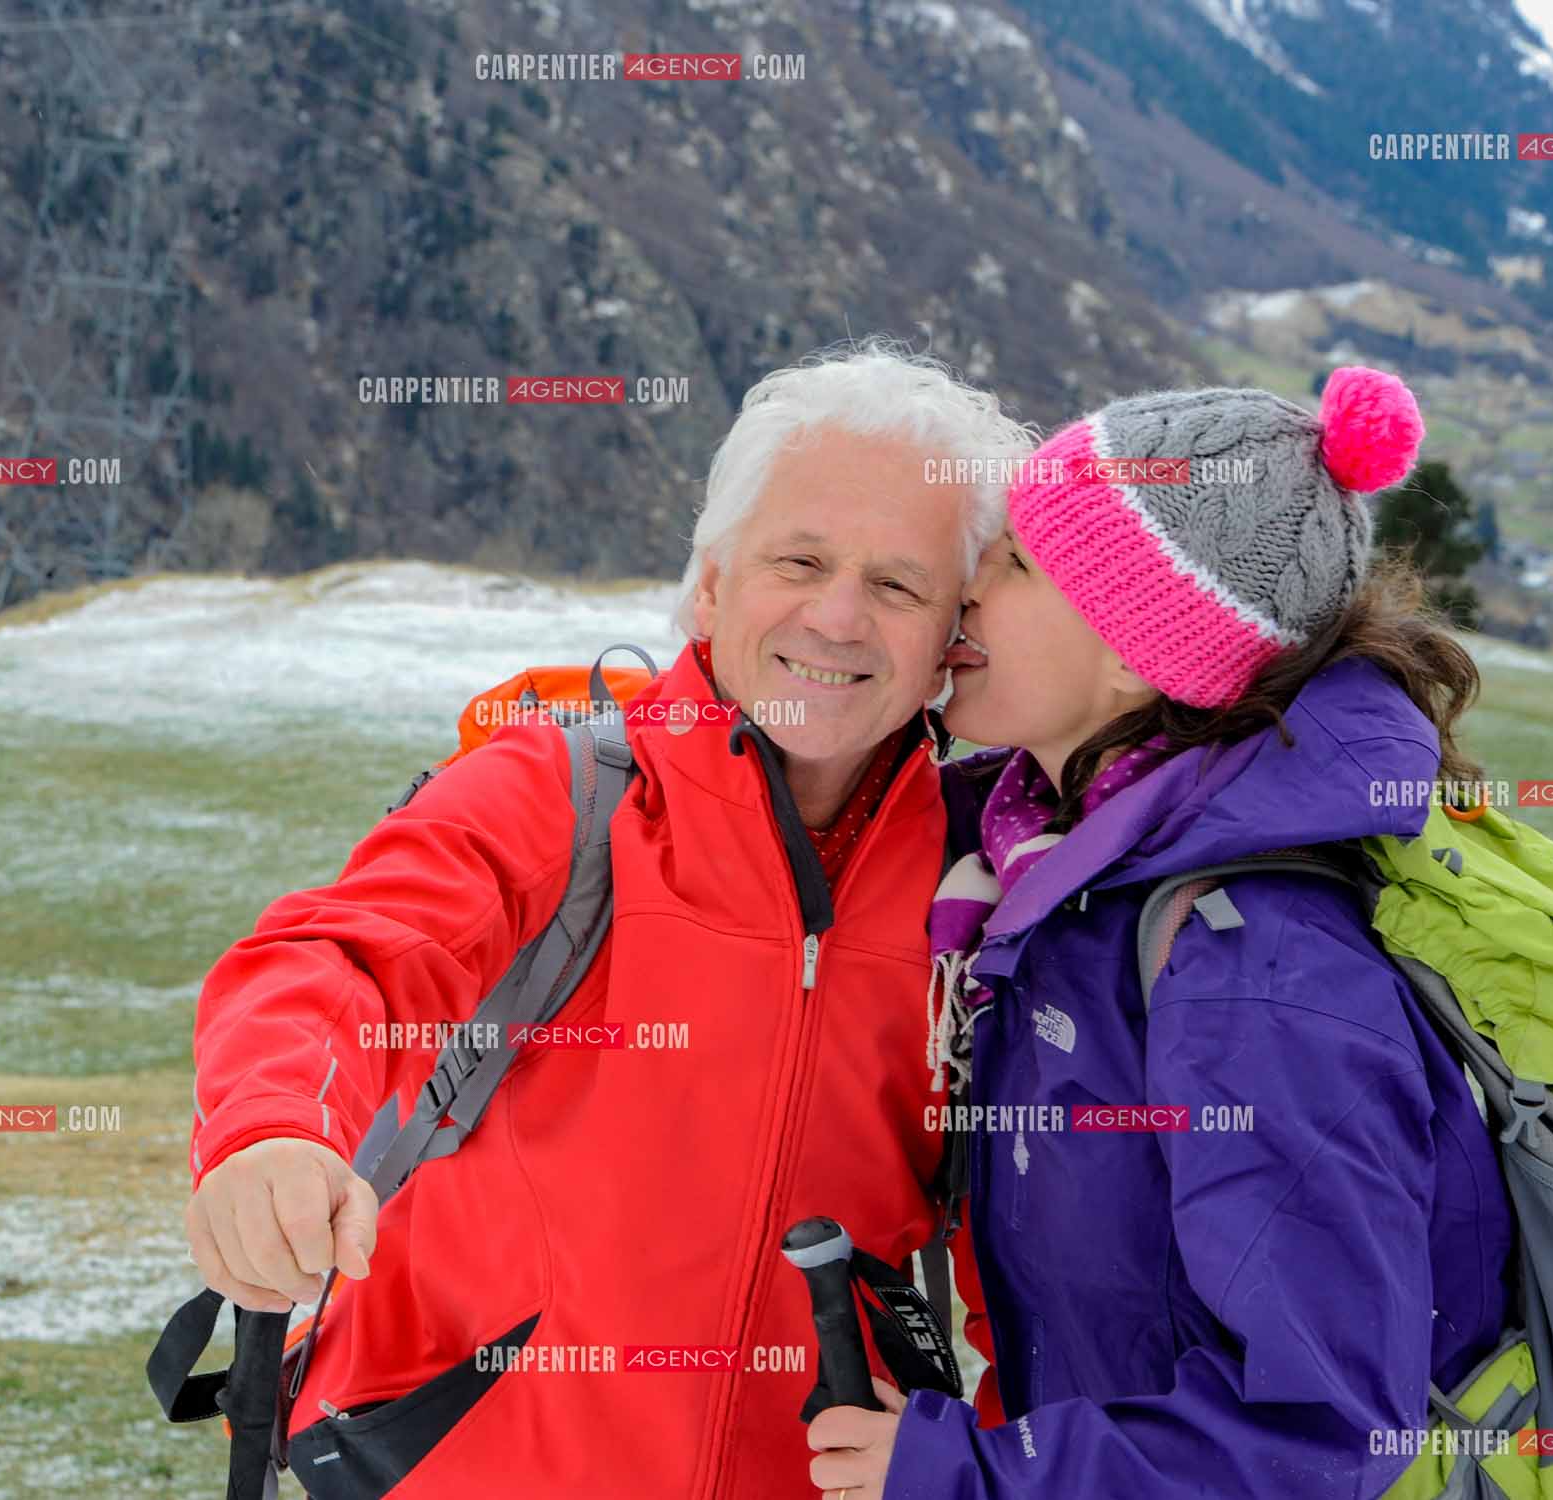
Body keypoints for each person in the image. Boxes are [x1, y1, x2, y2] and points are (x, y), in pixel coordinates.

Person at [183, 337, 1031, 1498]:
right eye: (799, 560)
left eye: (896, 585)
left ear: (951, 644)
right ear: (713, 582)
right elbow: (337, 958)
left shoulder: (980, 886)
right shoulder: (564, 796)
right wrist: (271, 1129)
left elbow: (1038, 1247)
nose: (836, 619)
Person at [806, 368, 1517, 1499]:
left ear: (1141, 651)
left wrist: (970, 1475)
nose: (965, 589)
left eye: (1018, 566)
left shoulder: (1253, 971)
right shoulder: (1056, 863)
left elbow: (1317, 1434)